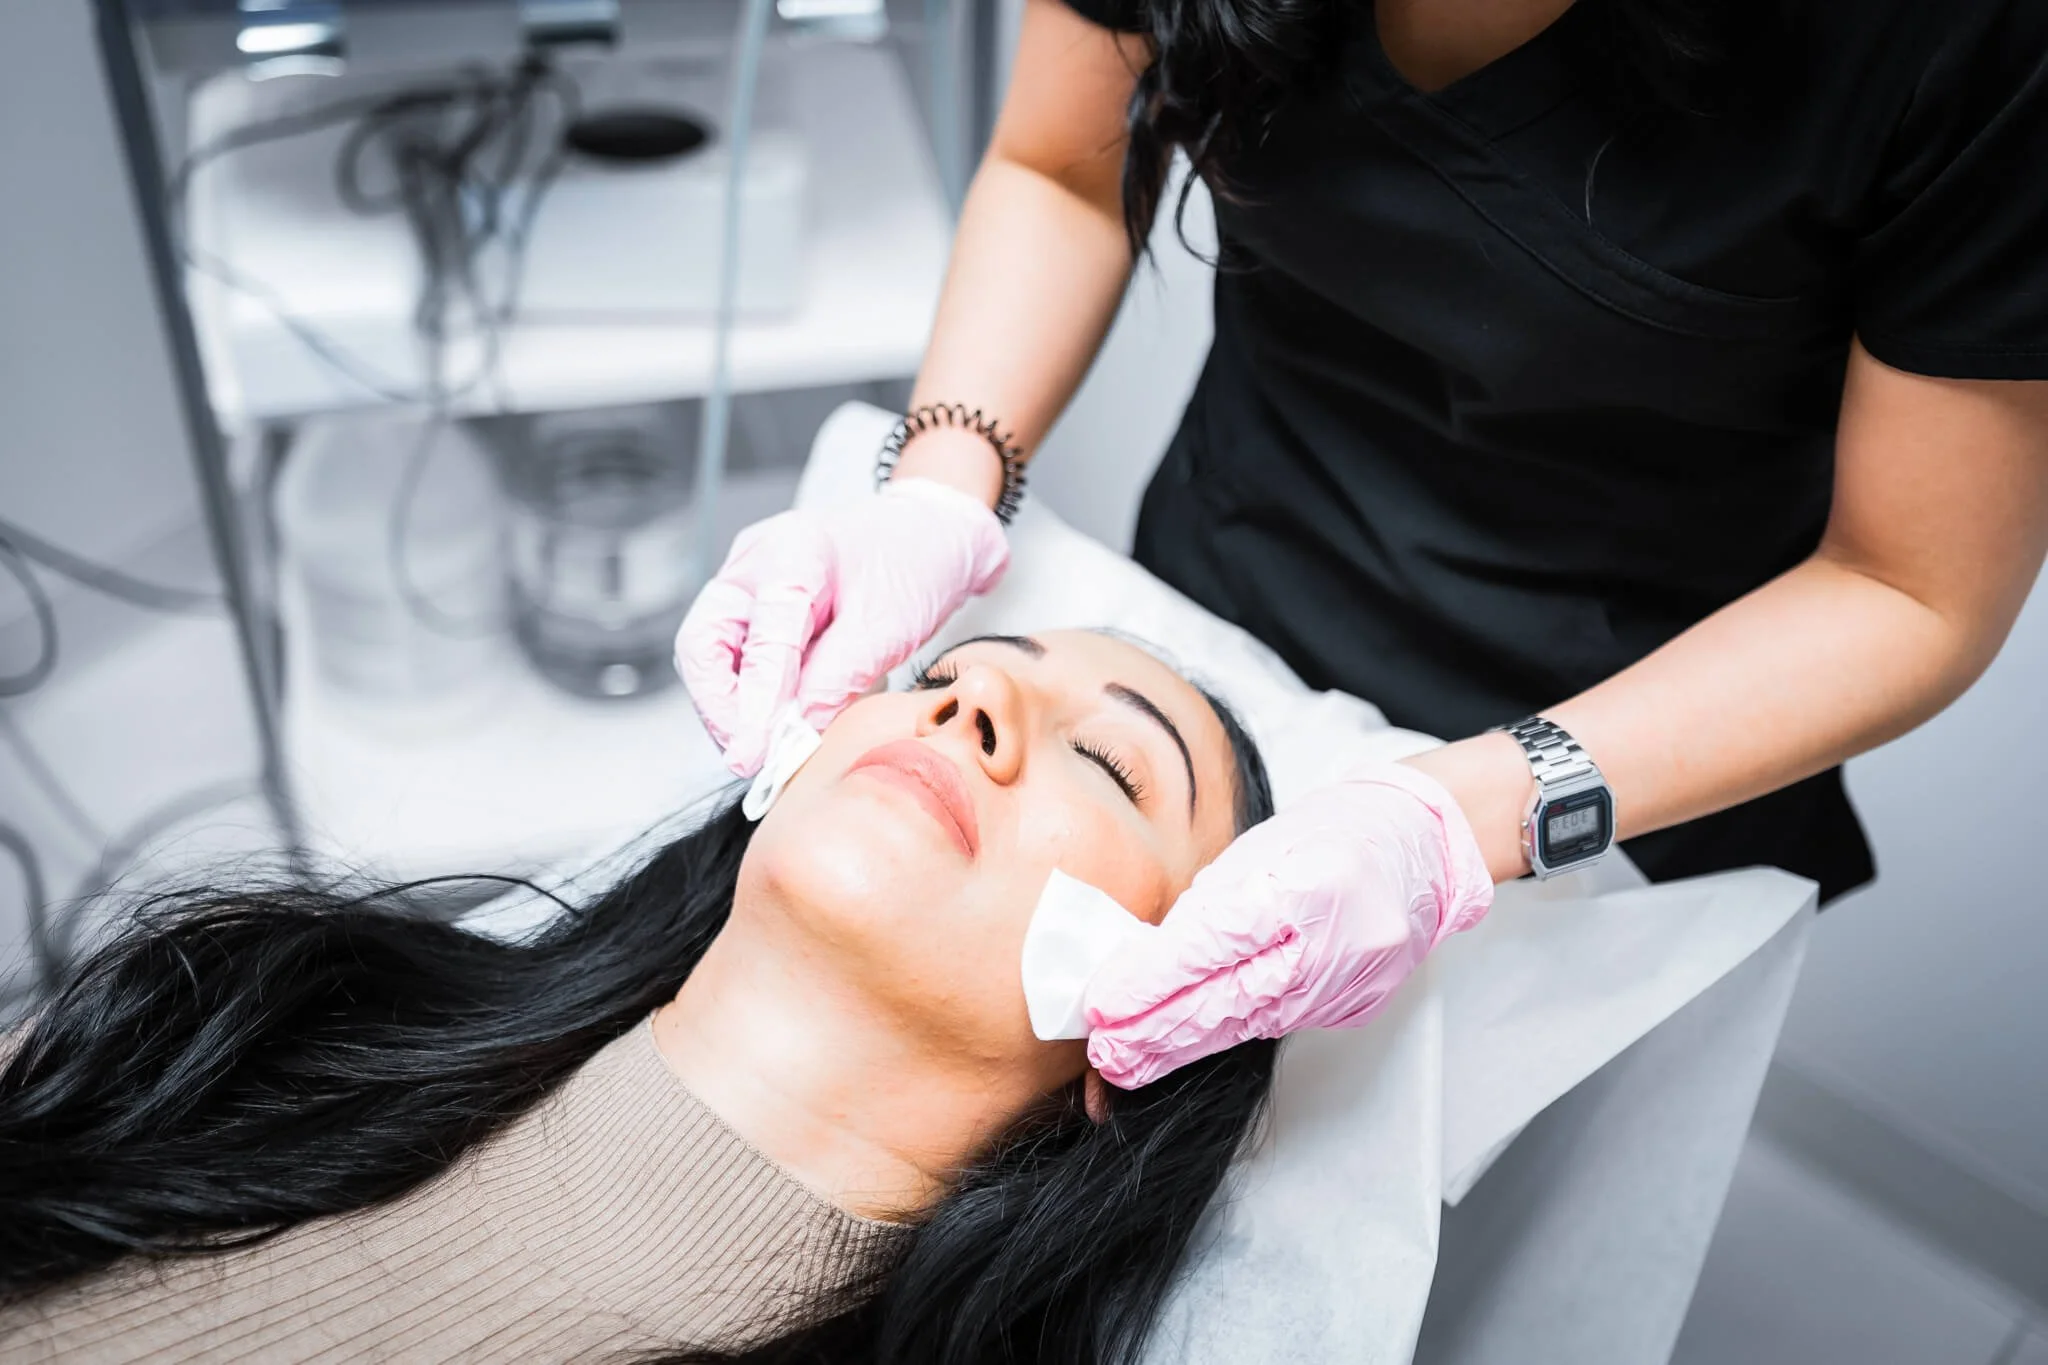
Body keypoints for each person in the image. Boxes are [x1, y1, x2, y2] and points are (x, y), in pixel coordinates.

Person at [676, 0, 2048, 1090]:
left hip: (1644, 755)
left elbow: (1910, 590)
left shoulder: (1955, 40)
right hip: (1224, 579)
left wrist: (1450, 825)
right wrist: (937, 489)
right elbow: (1061, 170)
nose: (968, 701)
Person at [0, 630, 1323, 1364]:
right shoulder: (261, 1015)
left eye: (1110, 762)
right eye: (940, 673)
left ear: (1149, 1033)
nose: (971, 695)